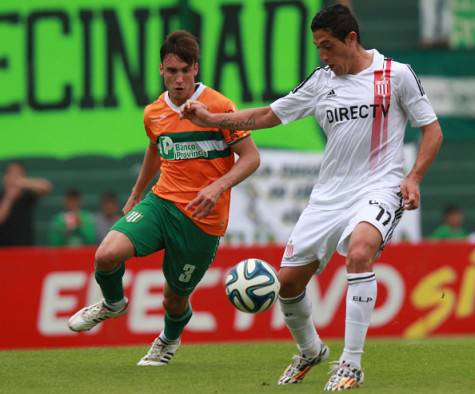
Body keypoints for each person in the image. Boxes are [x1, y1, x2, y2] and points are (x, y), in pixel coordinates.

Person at [182, 5, 443, 391]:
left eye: (327, 46)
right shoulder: (321, 82)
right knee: (287, 284)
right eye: (317, 47)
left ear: (351, 39)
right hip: (328, 196)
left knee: (359, 253)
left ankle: (351, 364)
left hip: (379, 187)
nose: (322, 55)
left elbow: (432, 130)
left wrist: (415, 176)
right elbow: (269, 115)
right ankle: (310, 350)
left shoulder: (395, 74)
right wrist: (212, 120)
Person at [67, 31, 260, 366]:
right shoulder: (154, 113)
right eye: (172, 71)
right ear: (161, 71)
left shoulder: (218, 106)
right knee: (106, 255)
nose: (179, 78)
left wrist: (217, 187)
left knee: (173, 298)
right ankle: (113, 304)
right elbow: (155, 150)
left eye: (185, 70)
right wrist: (136, 193)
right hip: (162, 202)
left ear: (196, 68)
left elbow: (251, 158)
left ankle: (168, 340)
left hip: (202, 220)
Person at [0, 161, 52, 246]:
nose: (14, 178)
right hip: (4, 249)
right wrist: (9, 197)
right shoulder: (2, 196)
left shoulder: (27, 196)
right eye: (11, 174)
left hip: (25, 248)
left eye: (17, 175)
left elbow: (46, 187)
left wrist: (23, 183)